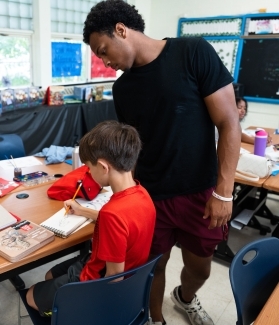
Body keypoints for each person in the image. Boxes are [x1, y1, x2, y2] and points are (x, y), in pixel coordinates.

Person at [83, 2, 241, 325]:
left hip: (202, 191)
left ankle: (185, 297)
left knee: (200, 266)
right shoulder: (122, 88)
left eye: (104, 51)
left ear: (122, 30)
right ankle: (156, 319)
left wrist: (224, 192)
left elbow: (229, 124)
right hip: (151, 197)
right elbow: (131, 152)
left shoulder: (193, 52)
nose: (107, 63)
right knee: (152, 267)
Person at [25, 120, 156, 316]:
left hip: (94, 282)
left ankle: (67, 315)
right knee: (50, 274)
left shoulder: (113, 213)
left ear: (103, 167)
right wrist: (84, 211)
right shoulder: (142, 194)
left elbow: (114, 277)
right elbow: (124, 223)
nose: (87, 172)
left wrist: (91, 309)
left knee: (30, 294)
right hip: (126, 277)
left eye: (88, 167)